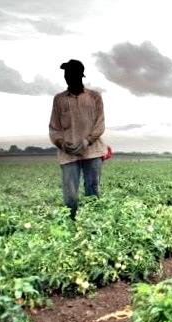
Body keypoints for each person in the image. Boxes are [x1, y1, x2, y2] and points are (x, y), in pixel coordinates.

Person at [49, 59, 106, 220]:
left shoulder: (94, 97)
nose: (67, 77)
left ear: (80, 75)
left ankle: (94, 223)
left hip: (92, 151)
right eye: (66, 74)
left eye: (71, 73)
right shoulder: (59, 99)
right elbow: (54, 127)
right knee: (70, 194)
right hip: (68, 153)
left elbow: (100, 125)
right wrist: (61, 143)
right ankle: (71, 224)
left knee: (92, 190)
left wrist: (87, 141)